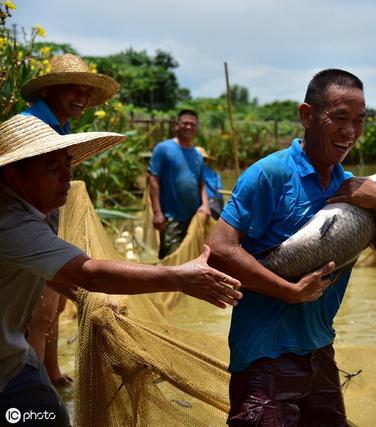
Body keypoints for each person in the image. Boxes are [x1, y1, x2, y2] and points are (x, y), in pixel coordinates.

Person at [0, 114, 242, 426]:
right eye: (51, 167)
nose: (66, 175)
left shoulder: (28, 213)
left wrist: (86, 298)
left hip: (15, 356)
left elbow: (56, 273)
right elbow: (90, 272)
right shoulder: (12, 224)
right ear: (13, 176)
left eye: (67, 163)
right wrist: (179, 277)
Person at [207, 69, 376, 426]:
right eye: (339, 118)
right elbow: (219, 250)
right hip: (264, 355)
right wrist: (289, 291)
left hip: (318, 350)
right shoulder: (270, 174)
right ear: (307, 116)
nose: (350, 132)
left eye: (360, 121)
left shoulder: (355, 191)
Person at [19, 53, 120, 387]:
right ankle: (32, 388)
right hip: (25, 224)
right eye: (73, 90)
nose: (83, 98)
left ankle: (50, 372)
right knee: (41, 310)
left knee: (56, 306)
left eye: (87, 92)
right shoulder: (32, 128)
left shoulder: (59, 125)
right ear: (50, 91)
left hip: (46, 218)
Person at [148, 109, 211, 259]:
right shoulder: (163, 149)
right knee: (172, 258)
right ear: (177, 125)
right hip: (171, 218)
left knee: (192, 258)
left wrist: (205, 205)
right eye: (185, 123)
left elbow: (201, 184)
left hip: (193, 218)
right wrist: (157, 212)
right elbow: (153, 180)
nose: (188, 127)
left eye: (192, 124)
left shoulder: (197, 154)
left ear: (196, 128)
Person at [195, 146, 225, 220]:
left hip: (201, 206)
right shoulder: (215, 174)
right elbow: (220, 196)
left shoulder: (193, 172)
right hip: (215, 206)